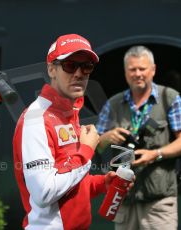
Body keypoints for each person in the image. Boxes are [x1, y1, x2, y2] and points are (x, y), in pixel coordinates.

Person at [13, 34, 134, 230]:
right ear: (51, 69)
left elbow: (72, 181)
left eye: (86, 66)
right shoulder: (35, 118)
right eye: (70, 65)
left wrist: (102, 183)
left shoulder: (71, 114)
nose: (79, 73)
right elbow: (44, 193)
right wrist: (86, 152)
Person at [96, 45, 181, 230]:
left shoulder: (169, 98)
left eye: (142, 68)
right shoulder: (113, 104)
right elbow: (96, 148)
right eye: (132, 69)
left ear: (153, 70)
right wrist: (107, 137)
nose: (138, 74)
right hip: (123, 199)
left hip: (159, 202)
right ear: (125, 72)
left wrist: (155, 154)